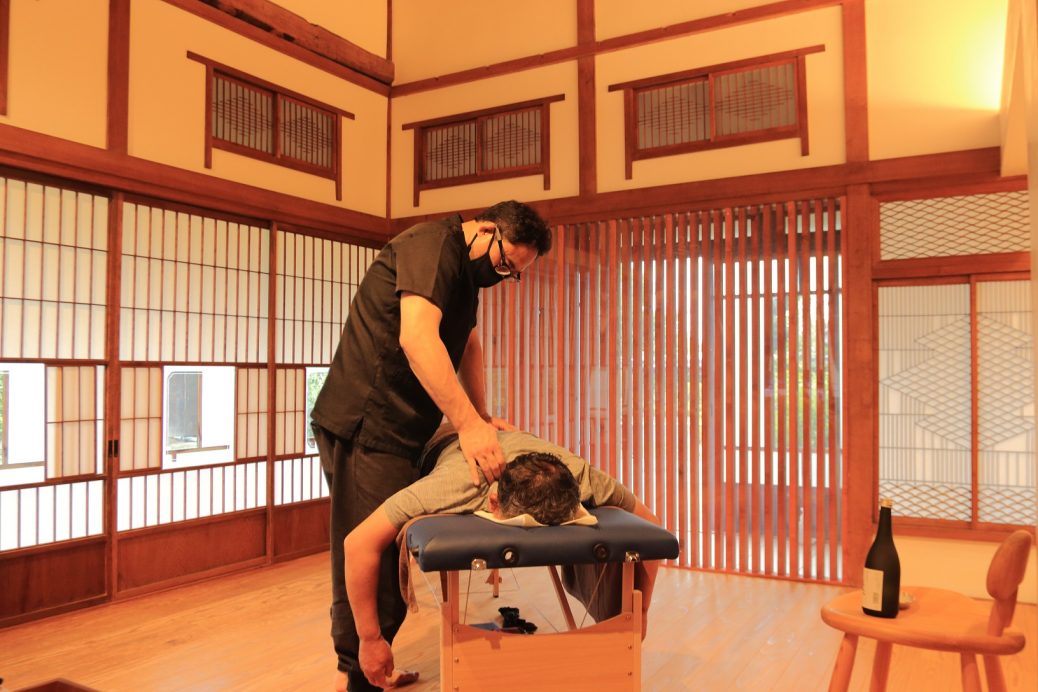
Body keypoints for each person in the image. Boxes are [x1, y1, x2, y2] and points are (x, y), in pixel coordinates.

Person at [309, 201, 552, 692]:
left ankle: (369, 670)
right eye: (505, 263)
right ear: (486, 229)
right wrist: (466, 426)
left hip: (400, 431)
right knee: (373, 554)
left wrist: (481, 416)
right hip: (366, 422)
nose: (504, 276)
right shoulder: (433, 245)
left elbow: (467, 344)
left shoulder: (465, 275)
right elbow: (418, 338)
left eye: (514, 274)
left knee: (390, 559)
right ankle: (356, 674)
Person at [343, 426, 662, 688]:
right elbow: (357, 543)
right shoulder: (453, 486)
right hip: (440, 436)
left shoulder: (582, 476)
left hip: (509, 435)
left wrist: (642, 612)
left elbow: (652, 530)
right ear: (493, 501)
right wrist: (370, 639)